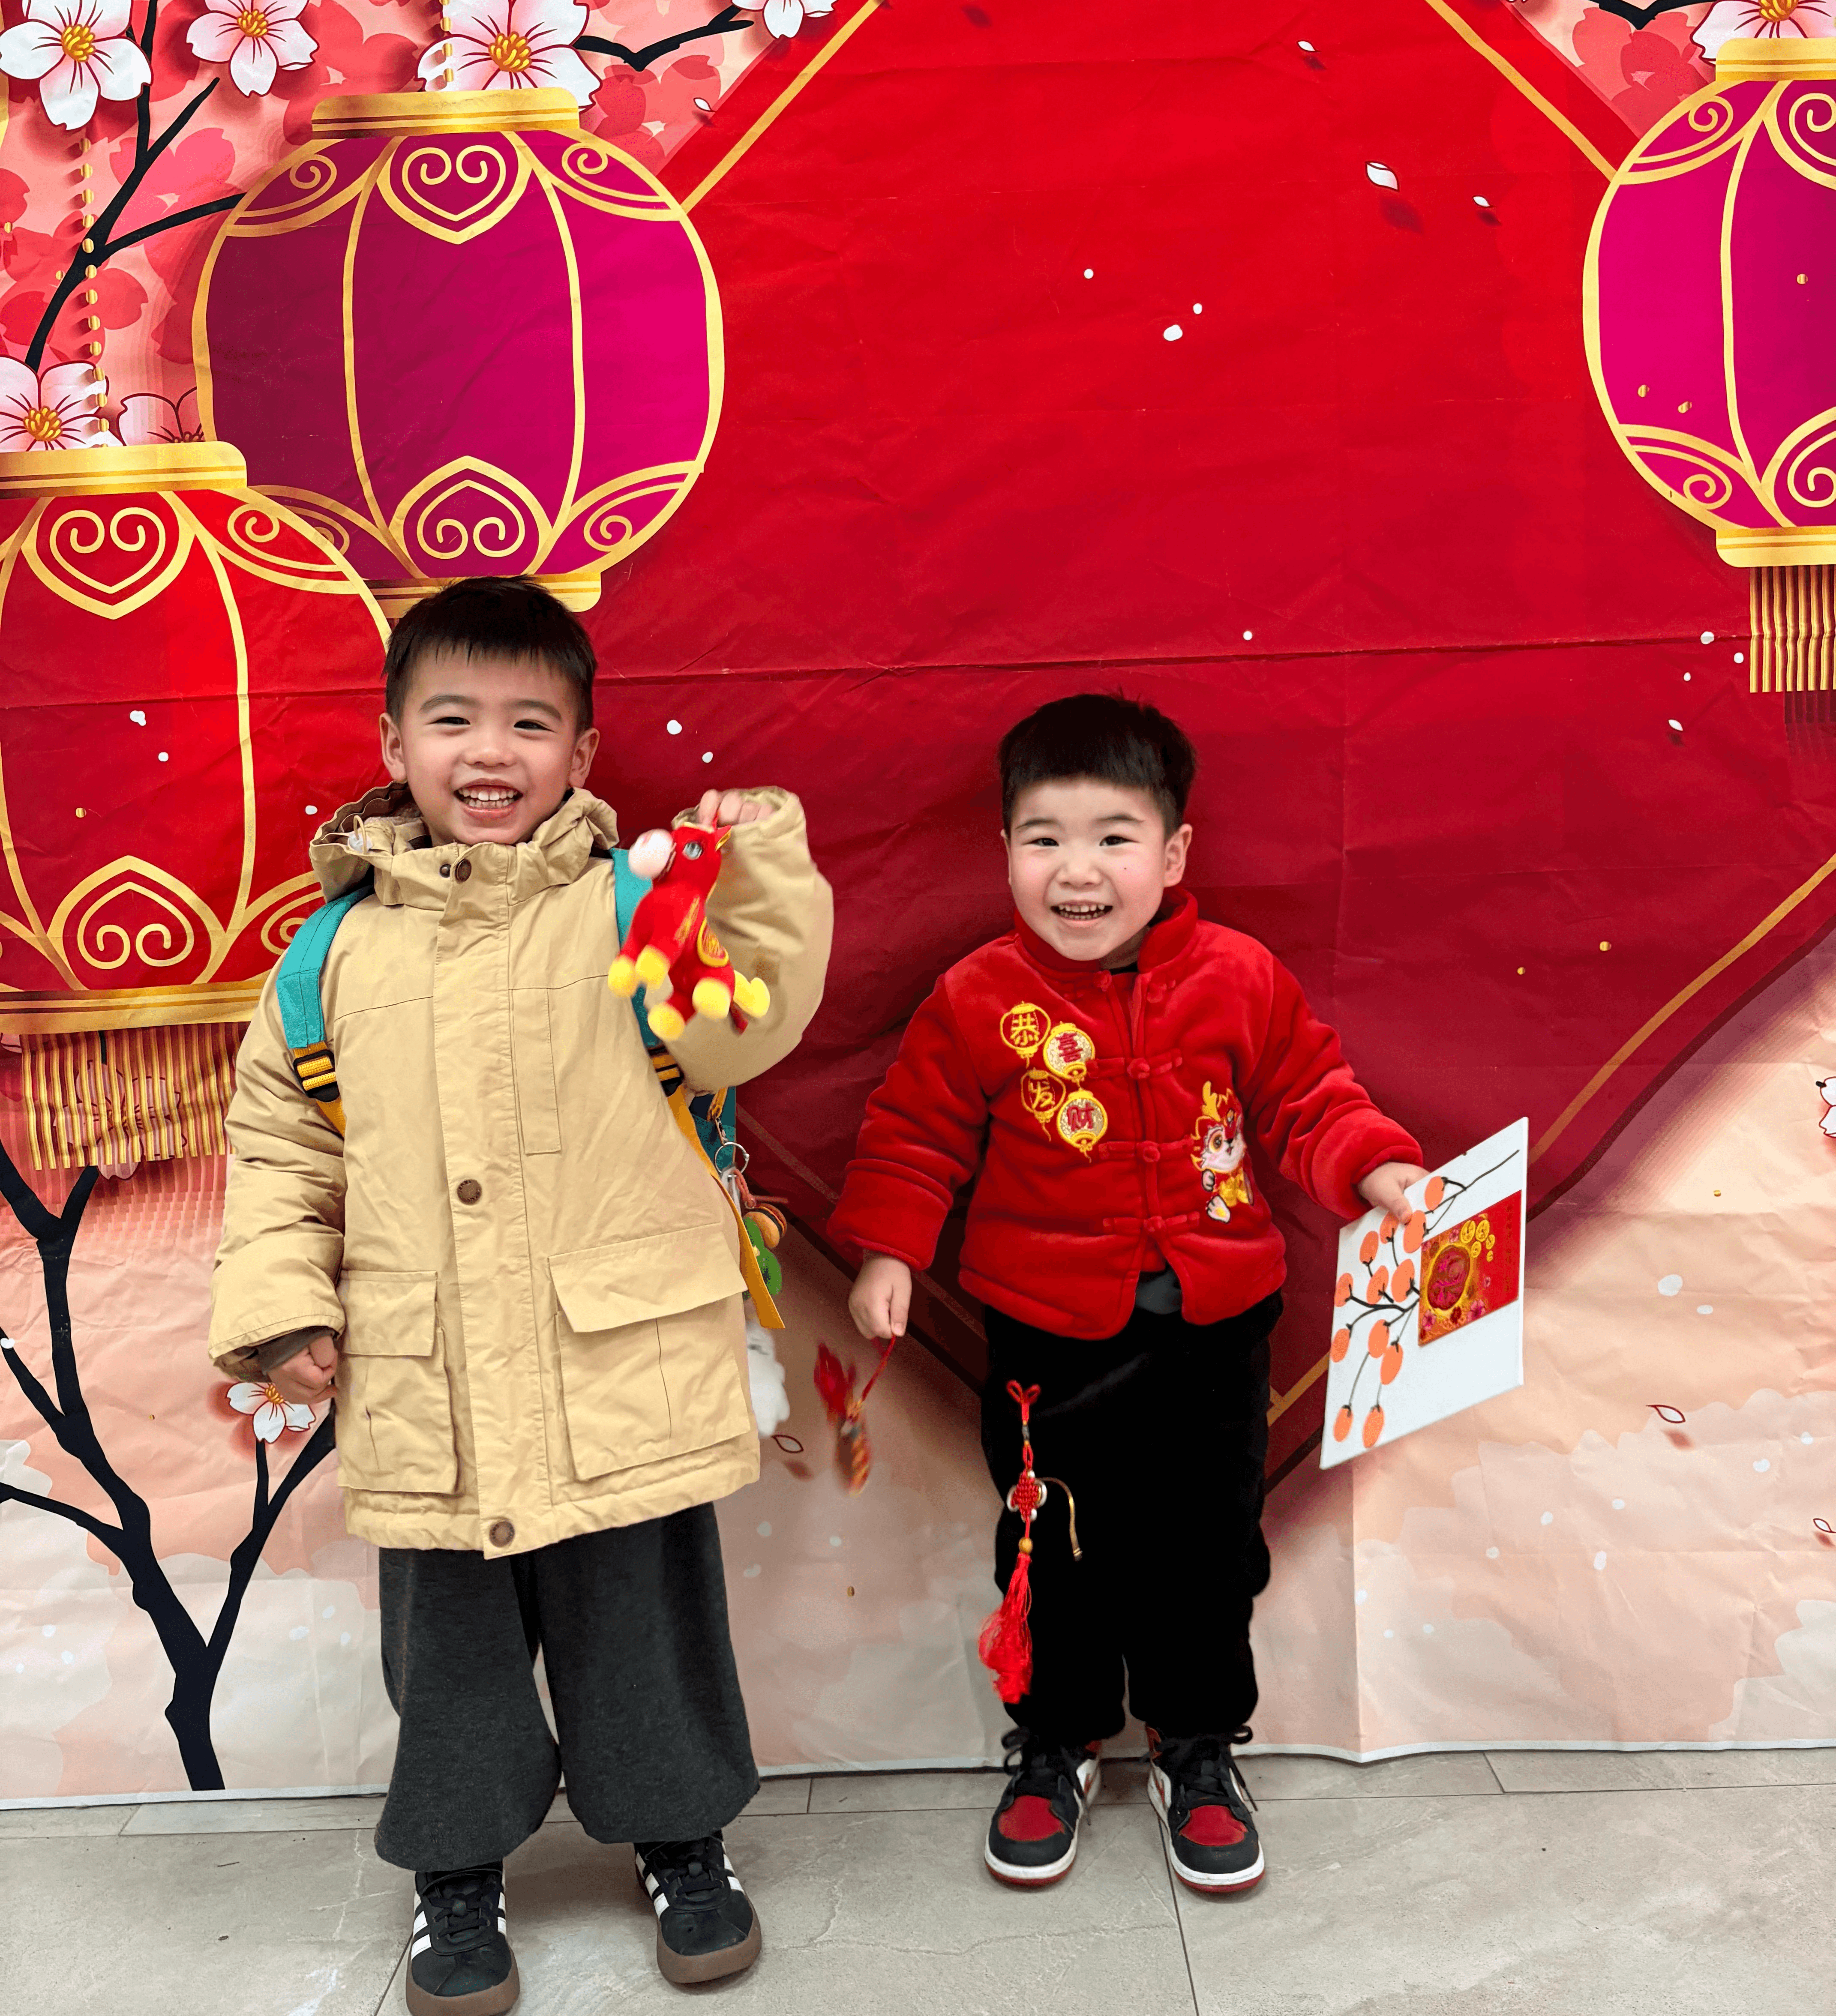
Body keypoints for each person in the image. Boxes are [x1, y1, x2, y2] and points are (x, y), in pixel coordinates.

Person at [208, 578, 833, 2010]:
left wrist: (764, 873)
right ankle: (456, 1871)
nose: (489, 752)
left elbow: (742, 1036)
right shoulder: (328, 958)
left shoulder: (629, 906)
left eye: (528, 723)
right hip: (431, 1377)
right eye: (453, 720)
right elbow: (279, 1144)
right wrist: (281, 1301)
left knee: (644, 1620)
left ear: (583, 755)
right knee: (451, 1653)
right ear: (393, 741)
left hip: (617, 1357)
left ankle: (682, 1841)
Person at [829, 692, 1423, 1895]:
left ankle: (1196, 1745)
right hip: (1048, 1339)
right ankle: (1053, 1740)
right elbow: (912, 1137)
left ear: (1172, 854)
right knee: (1052, 1546)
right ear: (1004, 852)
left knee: (1207, 1551)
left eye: (1112, 837)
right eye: (1042, 838)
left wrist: (1375, 1165)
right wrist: (890, 1251)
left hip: (1217, 1333)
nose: (1077, 870)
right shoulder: (975, 996)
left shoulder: (1240, 976)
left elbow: (1308, 1096)